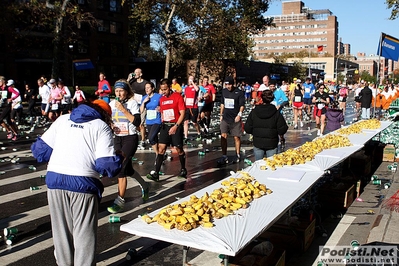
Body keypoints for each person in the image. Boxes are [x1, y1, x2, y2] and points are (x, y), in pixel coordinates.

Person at [30, 100, 123, 266]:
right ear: (105, 115)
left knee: (61, 233)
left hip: (55, 179)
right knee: (84, 235)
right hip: (83, 182)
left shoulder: (62, 120)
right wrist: (118, 158)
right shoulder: (100, 126)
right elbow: (105, 165)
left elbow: (40, 151)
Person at [107, 79, 150, 214]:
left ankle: (119, 201)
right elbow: (108, 118)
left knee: (121, 167)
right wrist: (111, 124)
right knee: (128, 169)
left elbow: (137, 122)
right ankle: (145, 185)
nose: (119, 93)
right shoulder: (112, 103)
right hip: (118, 138)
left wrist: (124, 110)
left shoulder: (132, 103)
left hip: (130, 138)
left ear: (127, 91)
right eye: (117, 91)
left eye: (121, 91)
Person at [146, 79, 187, 181]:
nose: (163, 92)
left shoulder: (178, 97)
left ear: (170, 87)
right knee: (161, 149)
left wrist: (176, 126)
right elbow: (163, 111)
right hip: (165, 126)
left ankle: (183, 169)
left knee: (178, 149)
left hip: (175, 125)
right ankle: (156, 173)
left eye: (165, 89)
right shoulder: (162, 99)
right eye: (162, 89)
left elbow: (182, 113)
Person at [244, 90, 288, 161]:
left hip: (258, 142)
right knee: (271, 165)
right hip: (272, 142)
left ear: (261, 98)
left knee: (259, 165)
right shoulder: (276, 113)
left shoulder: (254, 112)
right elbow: (282, 129)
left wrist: (255, 132)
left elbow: (247, 128)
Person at [217, 76, 245, 165]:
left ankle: (237, 154)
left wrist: (239, 114)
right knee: (223, 136)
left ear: (233, 84)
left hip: (235, 118)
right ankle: (224, 155)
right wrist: (221, 114)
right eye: (226, 84)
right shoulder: (224, 91)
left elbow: (242, 105)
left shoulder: (239, 93)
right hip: (225, 117)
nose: (228, 86)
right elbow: (222, 103)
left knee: (236, 137)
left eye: (229, 84)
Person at [140, 82, 162, 160]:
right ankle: (158, 154)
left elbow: (164, 105)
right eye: (145, 88)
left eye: (148, 87)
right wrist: (144, 102)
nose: (147, 89)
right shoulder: (144, 97)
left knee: (151, 138)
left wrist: (160, 108)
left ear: (152, 88)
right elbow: (141, 110)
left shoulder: (159, 96)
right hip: (149, 121)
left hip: (157, 120)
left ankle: (158, 155)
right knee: (154, 138)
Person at [127, 68, 148, 148]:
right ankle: (143, 135)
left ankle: (143, 140)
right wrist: (129, 79)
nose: (135, 74)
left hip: (142, 104)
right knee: (136, 123)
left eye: (137, 72)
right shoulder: (132, 82)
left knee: (141, 123)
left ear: (141, 74)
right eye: (134, 72)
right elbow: (125, 85)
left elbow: (148, 92)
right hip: (134, 104)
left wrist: (145, 100)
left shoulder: (145, 83)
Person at [183, 75, 202, 141]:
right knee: (186, 122)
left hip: (194, 107)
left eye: (191, 79)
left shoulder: (195, 87)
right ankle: (185, 136)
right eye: (189, 79)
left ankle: (199, 132)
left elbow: (197, 89)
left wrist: (193, 83)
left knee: (194, 122)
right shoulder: (186, 88)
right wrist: (183, 105)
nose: (190, 80)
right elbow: (185, 97)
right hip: (187, 107)